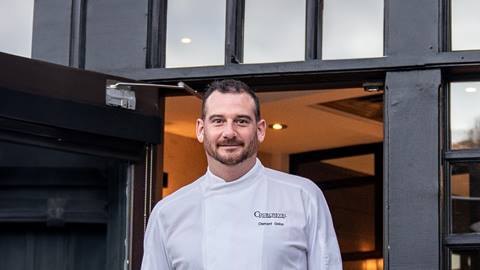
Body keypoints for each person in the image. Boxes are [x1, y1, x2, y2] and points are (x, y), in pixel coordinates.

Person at [141, 79, 342, 270]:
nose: (229, 132)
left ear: (260, 130)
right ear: (201, 130)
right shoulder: (168, 212)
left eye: (242, 121)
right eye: (218, 121)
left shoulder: (302, 196)